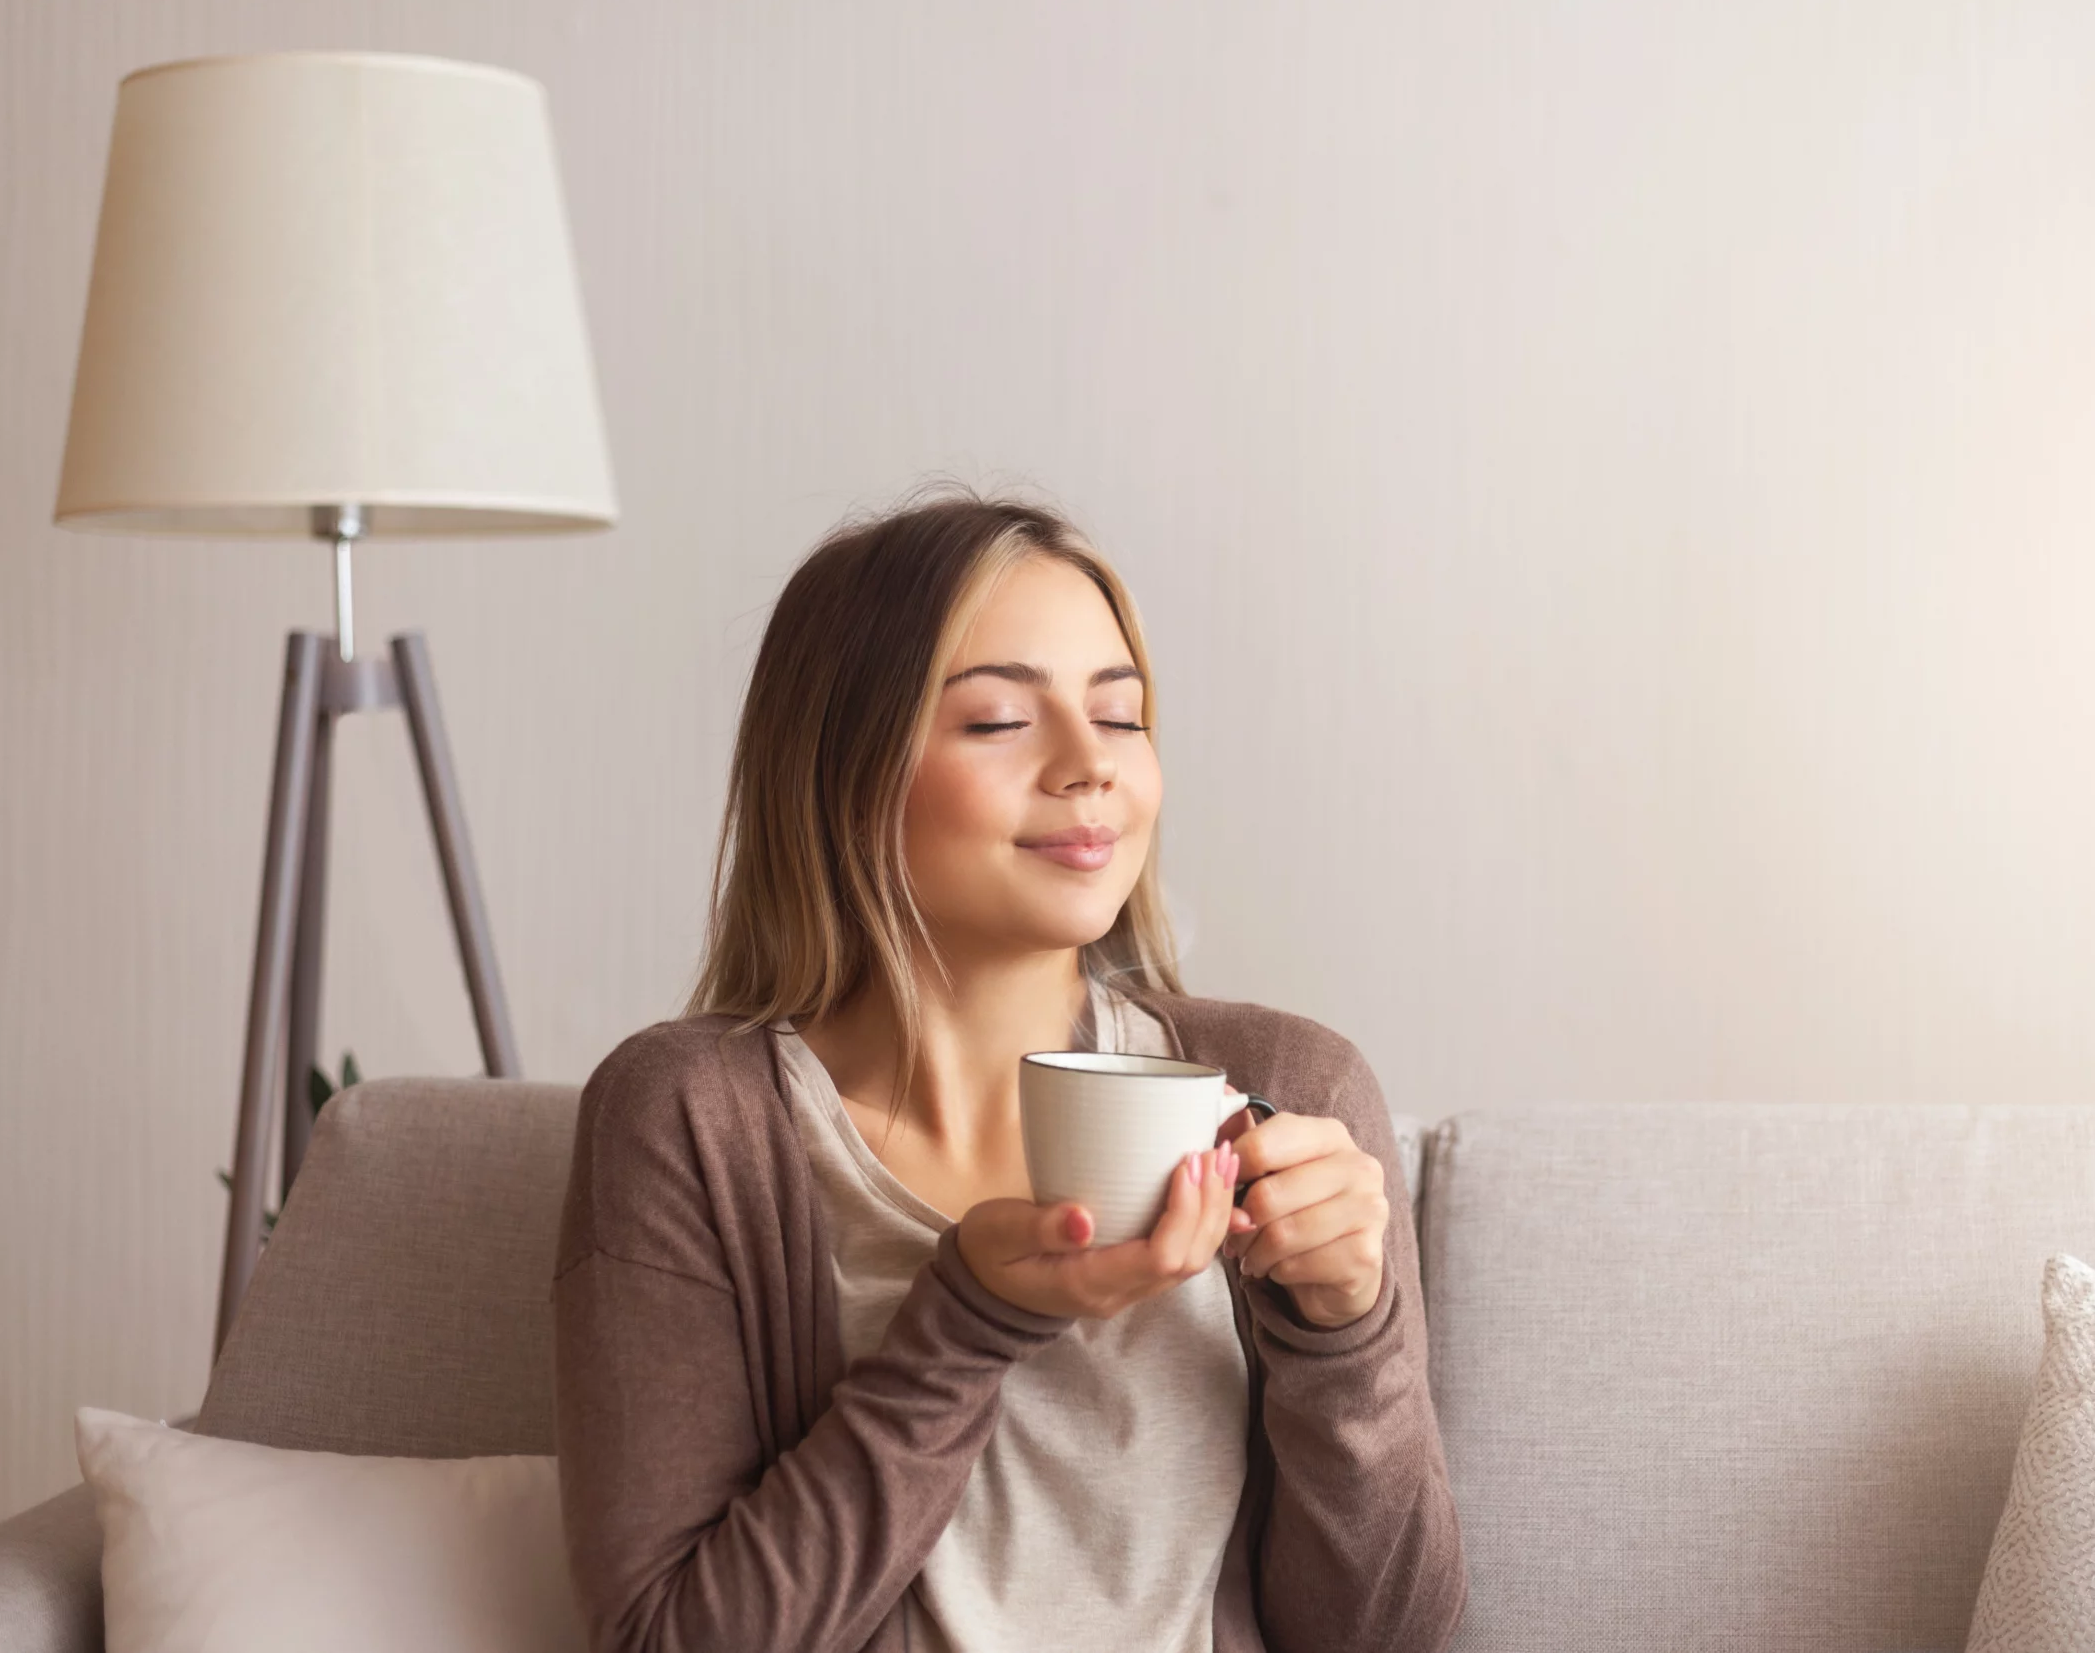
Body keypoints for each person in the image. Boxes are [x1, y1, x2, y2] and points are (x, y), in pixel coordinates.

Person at [550, 484, 1467, 1653]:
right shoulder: (690, 1116)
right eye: (997, 721)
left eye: (1121, 716)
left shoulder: (1292, 1082)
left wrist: (1344, 1330)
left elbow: (1385, 1637)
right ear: (843, 771)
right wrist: (965, 1321)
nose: (1090, 766)